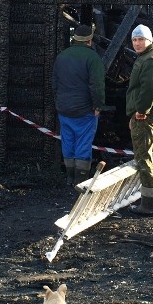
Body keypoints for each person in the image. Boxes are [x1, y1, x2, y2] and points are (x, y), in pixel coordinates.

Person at [52, 24, 105, 187]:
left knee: (68, 142)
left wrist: (59, 102)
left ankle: (69, 178)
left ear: (74, 38)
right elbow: (97, 85)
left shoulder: (61, 56)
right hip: (84, 110)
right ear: (89, 40)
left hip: (64, 109)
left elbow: (55, 83)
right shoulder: (93, 58)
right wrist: (98, 106)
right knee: (83, 143)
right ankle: (80, 181)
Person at [126, 24, 153, 216]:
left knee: (143, 157)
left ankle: (148, 205)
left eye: (141, 39)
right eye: (134, 40)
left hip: (148, 114)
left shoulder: (150, 60)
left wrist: (141, 111)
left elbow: (148, 88)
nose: (137, 43)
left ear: (149, 40)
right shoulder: (148, 57)